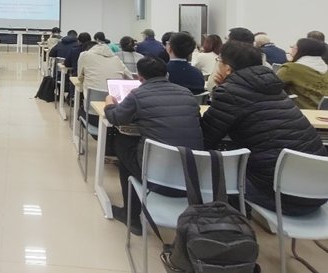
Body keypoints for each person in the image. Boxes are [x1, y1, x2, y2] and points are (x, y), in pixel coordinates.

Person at [202, 41, 327, 216]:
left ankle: (230, 224)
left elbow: (205, 139)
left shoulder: (230, 93)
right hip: (319, 191)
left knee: (213, 168)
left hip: (284, 197)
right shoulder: (273, 88)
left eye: (219, 61)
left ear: (228, 69)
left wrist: (221, 89)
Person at [105, 56, 203, 234]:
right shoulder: (187, 93)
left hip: (156, 175)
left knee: (123, 142)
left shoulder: (138, 95)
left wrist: (109, 104)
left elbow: (116, 118)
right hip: (190, 173)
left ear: (139, 77)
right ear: (166, 74)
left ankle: (131, 215)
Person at [277, 38, 328, 110]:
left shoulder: (290, 69)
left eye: (293, 47)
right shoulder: (326, 68)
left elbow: (273, 87)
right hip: (324, 113)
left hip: (301, 112)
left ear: (299, 50)